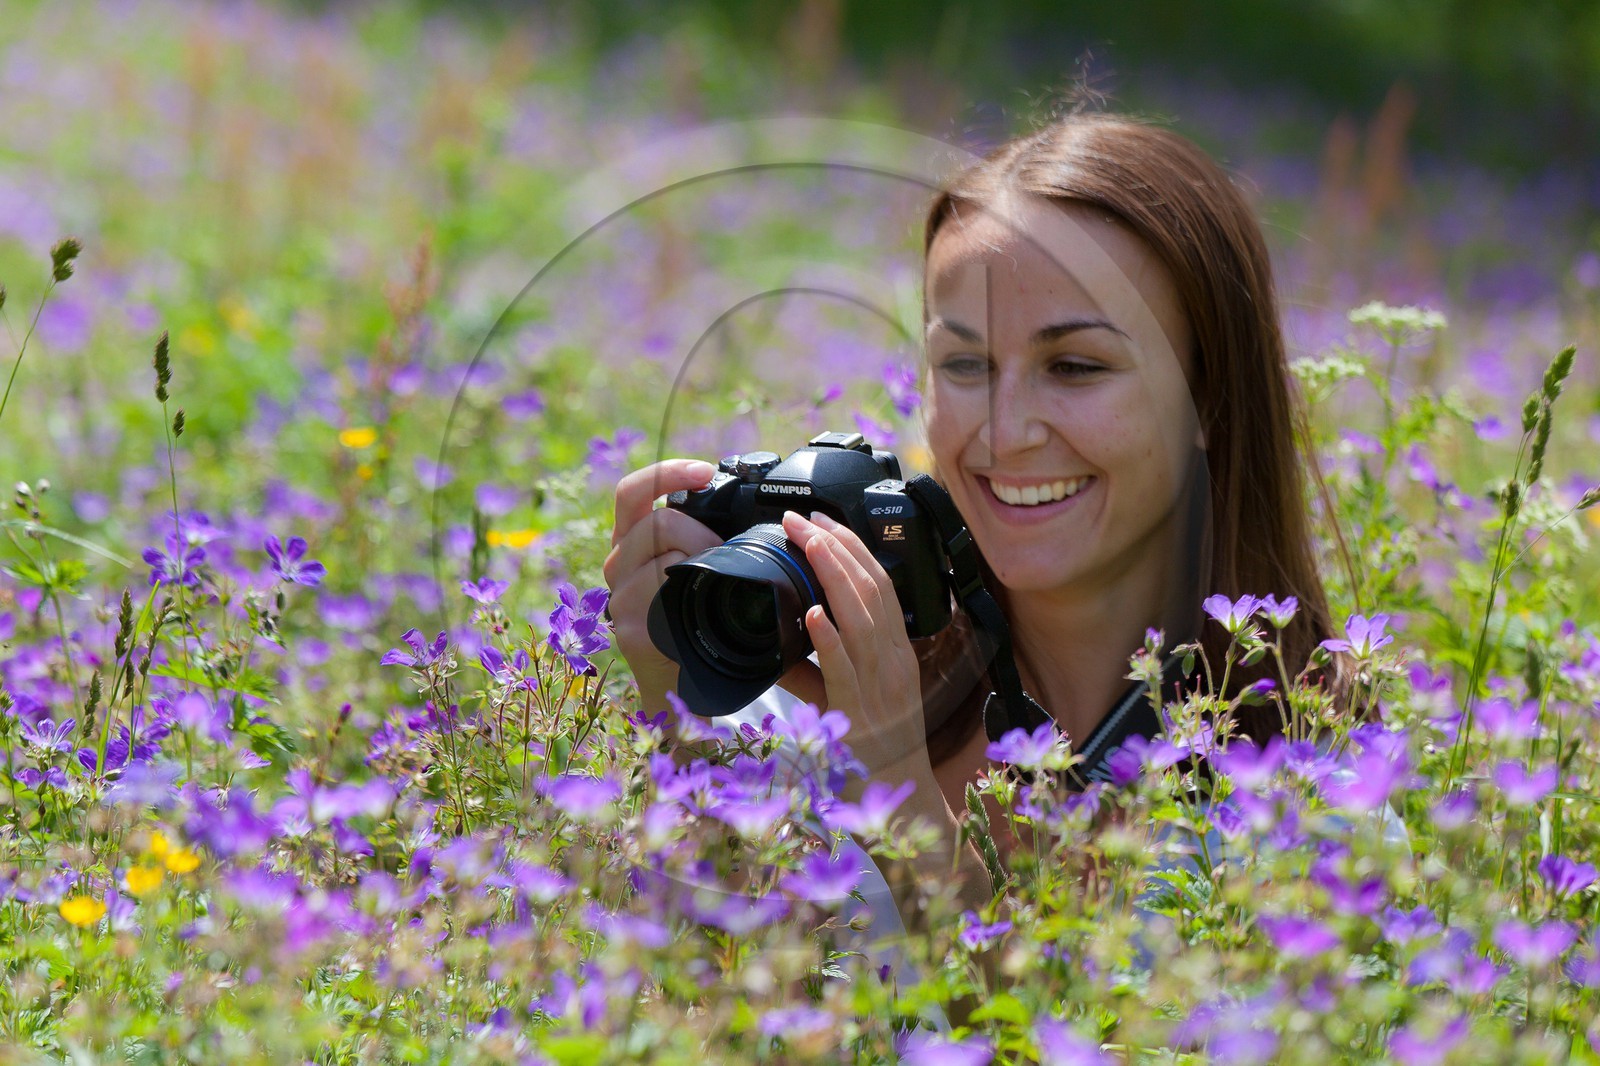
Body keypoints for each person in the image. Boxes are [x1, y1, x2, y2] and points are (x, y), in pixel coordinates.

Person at [603, 109, 1370, 998]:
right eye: (964, 365)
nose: (1003, 434)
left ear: (1209, 399)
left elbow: (1069, 1041)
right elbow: (702, 1006)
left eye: (1075, 366)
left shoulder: (1316, 784)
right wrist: (677, 711)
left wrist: (897, 788)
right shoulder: (805, 685)